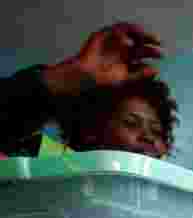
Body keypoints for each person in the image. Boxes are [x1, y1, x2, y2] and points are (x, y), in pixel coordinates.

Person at [1, 23, 166, 157]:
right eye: (131, 124)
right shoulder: (31, 164)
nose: (149, 138)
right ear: (91, 135)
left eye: (157, 131)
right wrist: (68, 78)